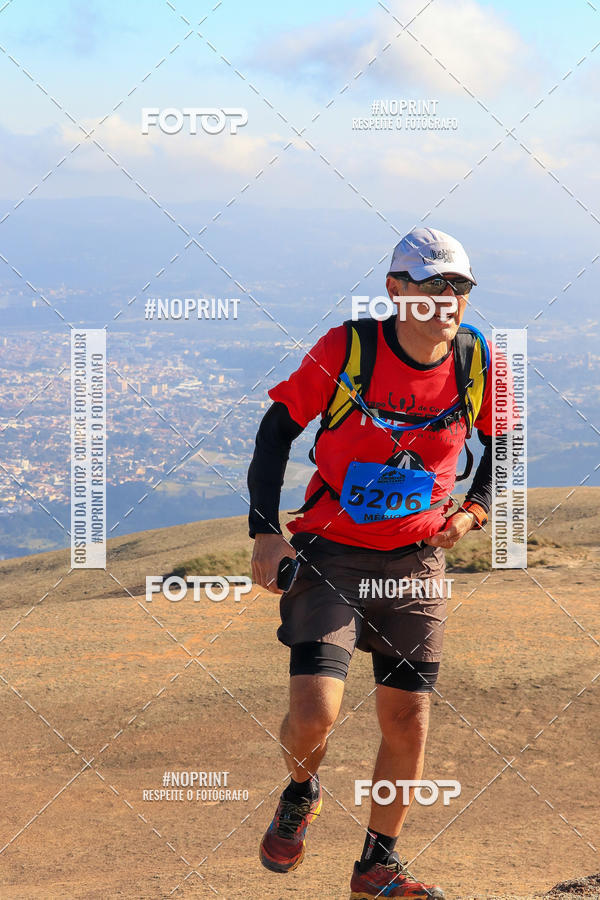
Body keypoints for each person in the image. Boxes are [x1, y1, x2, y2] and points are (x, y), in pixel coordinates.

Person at [247, 227, 497, 899]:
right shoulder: (347, 349)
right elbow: (276, 430)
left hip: (415, 566)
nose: (447, 299)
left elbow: (502, 445)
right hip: (332, 556)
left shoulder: (476, 360)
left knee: (408, 720)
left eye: (460, 286)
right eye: (432, 284)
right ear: (395, 289)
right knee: (313, 716)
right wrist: (267, 532)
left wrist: (473, 511)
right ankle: (302, 792)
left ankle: (376, 864)